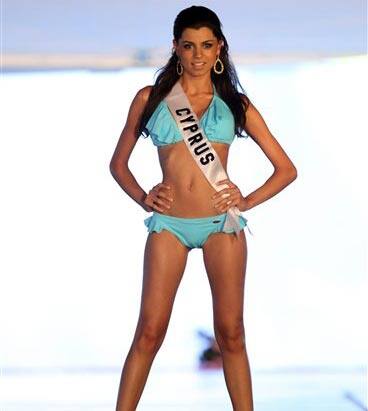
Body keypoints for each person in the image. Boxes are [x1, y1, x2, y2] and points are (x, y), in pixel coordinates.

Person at [109, 5, 297, 411]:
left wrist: (246, 200)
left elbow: (286, 170)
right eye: (189, 45)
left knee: (231, 333)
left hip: (220, 225)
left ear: (219, 50)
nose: (197, 54)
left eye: (206, 45)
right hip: (169, 225)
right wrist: (144, 196)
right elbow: (117, 165)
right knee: (148, 332)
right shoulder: (151, 98)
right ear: (175, 47)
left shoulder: (236, 103)